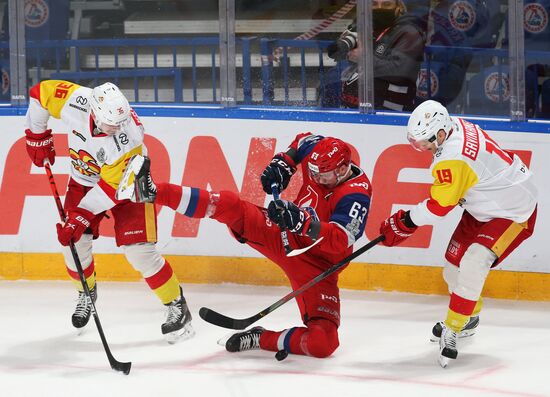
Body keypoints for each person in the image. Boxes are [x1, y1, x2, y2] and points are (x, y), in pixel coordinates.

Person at [116, 133, 373, 359]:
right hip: (282, 234)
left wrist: (301, 221)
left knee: (323, 343)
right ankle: (151, 191)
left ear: (342, 169)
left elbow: (341, 238)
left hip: (317, 266)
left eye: (322, 175)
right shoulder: (320, 149)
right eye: (312, 172)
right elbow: (302, 141)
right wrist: (283, 162)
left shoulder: (356, 193)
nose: (316, 178)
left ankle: (261, 338)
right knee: (227, 204)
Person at [24, 80, 194, 343]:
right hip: (84, 181)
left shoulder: (130, 139)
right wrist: (37, 136)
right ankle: (86, 293)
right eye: (110, 123)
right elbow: (39, 94)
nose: (117, 127)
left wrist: (80, 215)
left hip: (129, 185)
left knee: (139, 252)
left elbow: (112, 189)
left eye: (120, 122)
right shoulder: (75, 100)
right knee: (72, 244)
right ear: (92, 112)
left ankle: (176, 303)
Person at [379, 100, 538, 367]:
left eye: (424, 142)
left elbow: (439, 207)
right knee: (452, 269)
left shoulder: (453, 159)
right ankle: (469, 317)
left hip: (513, 212)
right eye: (415, 143)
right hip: (483, 205)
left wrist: (406, 221)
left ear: (441, 134)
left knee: (474, 263)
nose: (421, 149)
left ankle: (454, 328)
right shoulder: (456, 126)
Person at [323, 0, 426, 111]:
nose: (379, 8)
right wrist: (343, 49)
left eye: (387, 4)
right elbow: (344, 60)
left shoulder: (409, 33)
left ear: (399, 7)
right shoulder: (364, 27)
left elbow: (401, 71)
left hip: (390, 117)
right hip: (355, 111)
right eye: (374, 4)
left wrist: (364, 58)